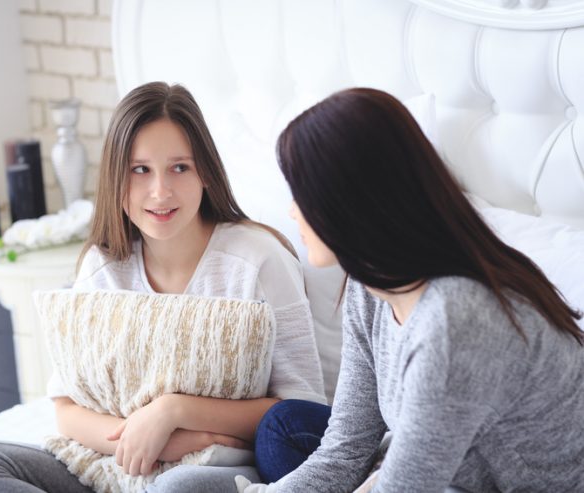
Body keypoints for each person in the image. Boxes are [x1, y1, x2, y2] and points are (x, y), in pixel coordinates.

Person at [0, 81, 326, 493]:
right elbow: (66, 409)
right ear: (116, 179)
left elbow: (301, 409)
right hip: (111, 463)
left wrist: (173, 411)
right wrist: (154, 440)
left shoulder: (258, 260)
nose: (160, 192)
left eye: (180, 167)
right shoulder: (101, 266)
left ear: (206, 173)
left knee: (177, 489)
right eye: (140, 170)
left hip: (213, 467)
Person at [237, 88, 584, 492]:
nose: (293, 210)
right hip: (437, 474)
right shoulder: (369, 287)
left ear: (348, 198)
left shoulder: (456, 319)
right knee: (242, 452)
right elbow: (344, 452)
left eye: (302, 192)